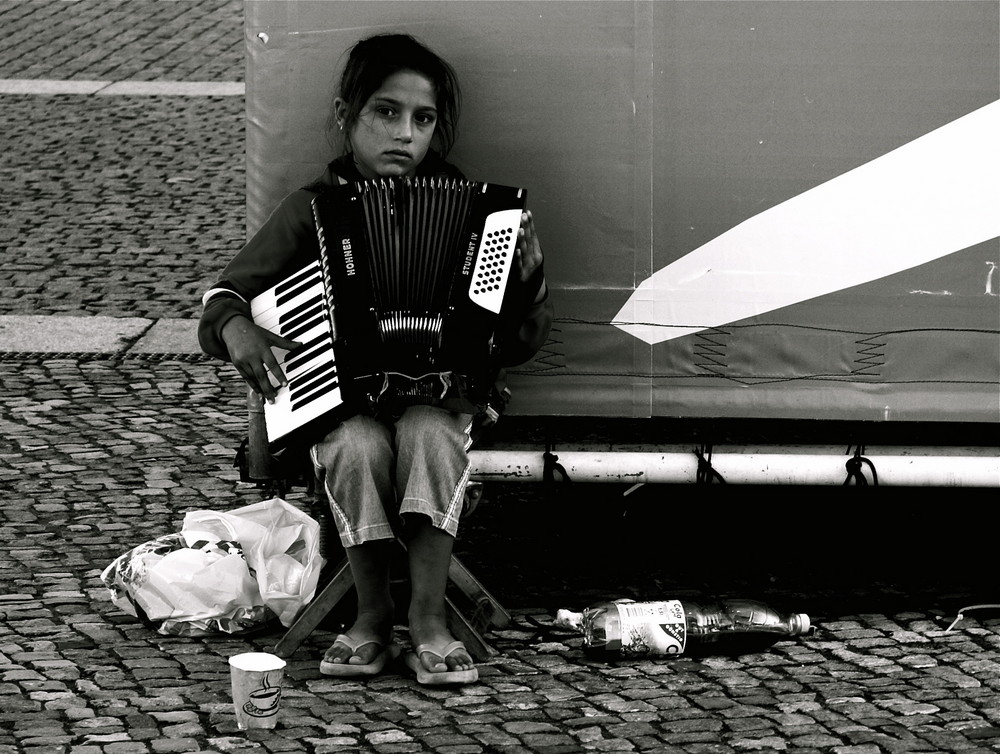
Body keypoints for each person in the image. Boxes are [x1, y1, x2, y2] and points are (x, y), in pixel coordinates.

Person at [198, 33, 553, 685]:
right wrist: (237, 330)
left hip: (441, 401)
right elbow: (223, 295)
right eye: (385, 113)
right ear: (344, 116)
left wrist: (527, 284)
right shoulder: (313, 210)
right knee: (356, 448)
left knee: (428, 437)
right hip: (342, 405)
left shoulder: (480, 217)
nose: (405, 134)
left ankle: (427, 620)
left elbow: (519, 343)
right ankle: (367, 614)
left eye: (422, 120)